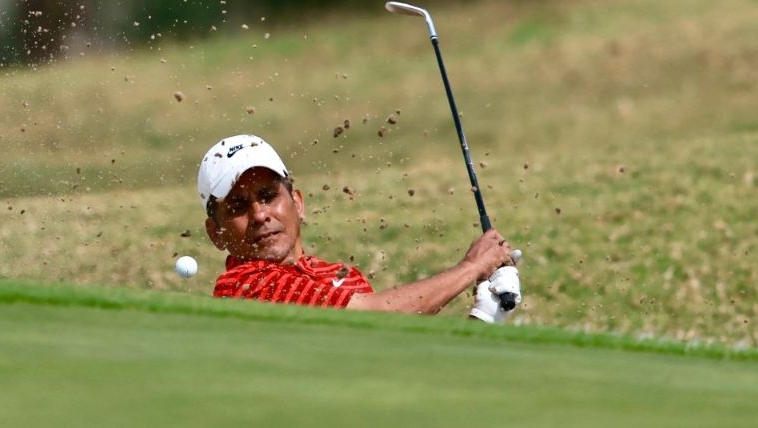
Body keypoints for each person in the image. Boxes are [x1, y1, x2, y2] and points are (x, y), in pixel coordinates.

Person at [198, 134, 521, 317]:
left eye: (268, 196)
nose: (259, 215)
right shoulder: (243, 285)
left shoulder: (343, 278)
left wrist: (486, 315)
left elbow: (402, 364)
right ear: (216, 234)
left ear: (298, 203)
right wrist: (471, 268)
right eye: (238, 207)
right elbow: (376, 314)